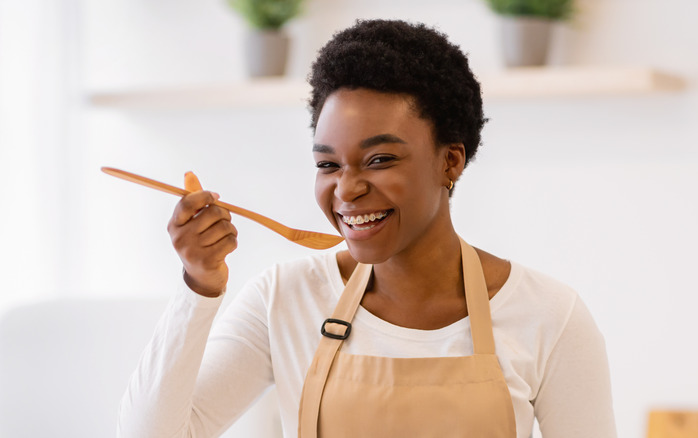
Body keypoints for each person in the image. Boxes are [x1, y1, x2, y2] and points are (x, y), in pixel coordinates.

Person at [117, 19, 617, 438]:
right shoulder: (283, 299)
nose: (347, 189)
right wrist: (199, 286)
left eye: (379, 159)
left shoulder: (549, 316)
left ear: (450, 161)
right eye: (328, 165)